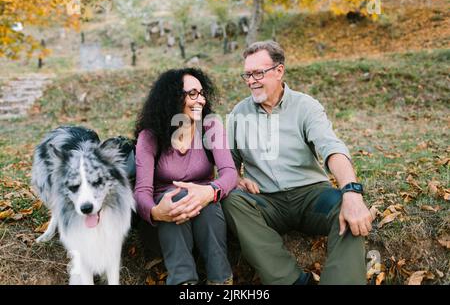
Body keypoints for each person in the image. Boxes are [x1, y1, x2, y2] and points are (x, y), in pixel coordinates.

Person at [223, 40, 373, 285]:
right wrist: (237, 179)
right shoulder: (239, 114)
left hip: (312, 197)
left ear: (279, 71)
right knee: (231, 200)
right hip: (267, 201)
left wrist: (351, 190)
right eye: (247, 75)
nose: (251, 81)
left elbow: (331, 149)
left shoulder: (306, 106)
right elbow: (228, 163)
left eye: (258, 73)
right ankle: (291, 281)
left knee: (345, 206)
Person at [134, 68, 237, 285]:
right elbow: (142, 191)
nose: (200, 99)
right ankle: (183, 282)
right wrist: (156, 212)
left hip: (207, 217)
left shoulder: (210, 126)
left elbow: (229, 173)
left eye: (201, 93)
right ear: (173, 97)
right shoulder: (150, 136)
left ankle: (221, 281)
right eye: (192, 94)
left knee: (208, 204)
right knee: (177, 199)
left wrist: (208, 192)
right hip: (165, 224)